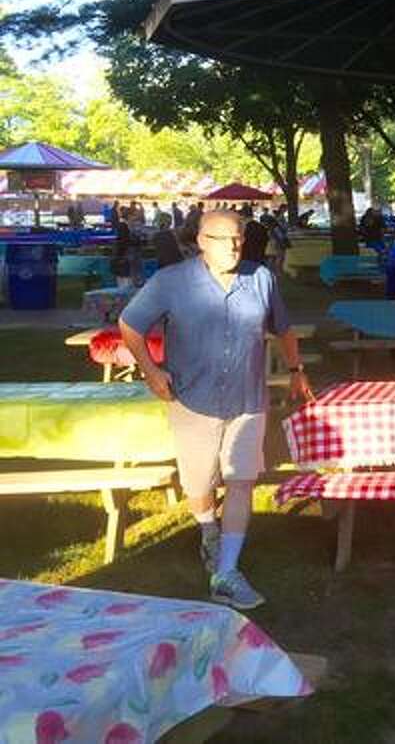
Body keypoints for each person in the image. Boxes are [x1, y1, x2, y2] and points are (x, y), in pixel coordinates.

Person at [118, 210, 314, 610]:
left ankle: (226, 571)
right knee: (199, 485)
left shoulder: (260, 278)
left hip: (247, 399)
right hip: (192, 399)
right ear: (201, 241)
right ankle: (208, 530)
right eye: (225, 239)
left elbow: (285, 329)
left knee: (241, 480)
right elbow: (130, 324)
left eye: (239, 238)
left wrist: (296, 370)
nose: (234, 247)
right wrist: (152, 372)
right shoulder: (172, 282)